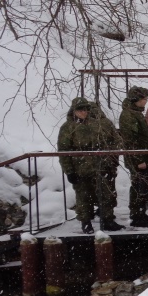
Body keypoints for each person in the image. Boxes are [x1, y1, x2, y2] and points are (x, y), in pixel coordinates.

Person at [58, 97, 121, 234]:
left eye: (86, 109)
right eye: (80, 110)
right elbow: (64, 151)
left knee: (106, 194)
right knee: (83, 196)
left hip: (101, 166)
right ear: (74, 110)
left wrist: (110, 159)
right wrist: (69, 171)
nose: (84, 112)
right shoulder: (68, 127)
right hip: (80, 168)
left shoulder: (96, 124)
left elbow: (112, 140)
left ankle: (107, 220)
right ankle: (85, 222)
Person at [118, 86, 148, 228]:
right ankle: (136, 214)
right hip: (137, 158)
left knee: (143, 185)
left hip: (142, 156)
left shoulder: (135, 113)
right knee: (138, 186)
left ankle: (140, 213)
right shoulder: (129, 115)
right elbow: (130, 141)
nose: (145, 101)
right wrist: (139, 160)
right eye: (143, 99)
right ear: (136, 99)